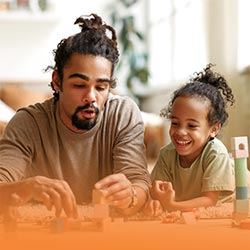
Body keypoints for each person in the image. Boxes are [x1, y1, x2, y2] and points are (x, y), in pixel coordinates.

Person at [0, 13, 151, 217]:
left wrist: (130, 195)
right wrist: (26, 187)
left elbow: (139, 184)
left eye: (101, 87)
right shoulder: (27, 123)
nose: (91, 97)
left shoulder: (123, 114)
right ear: (57, 81)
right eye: (79, 85)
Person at [144, 64, 235, 215]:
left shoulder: (215, 153)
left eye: (191, 126)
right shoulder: (166, 155)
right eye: (175, 123)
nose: (180, 132)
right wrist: (155, 202)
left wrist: (172, 205)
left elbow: (209, 201)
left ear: (214, 129)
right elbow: (157, 192)